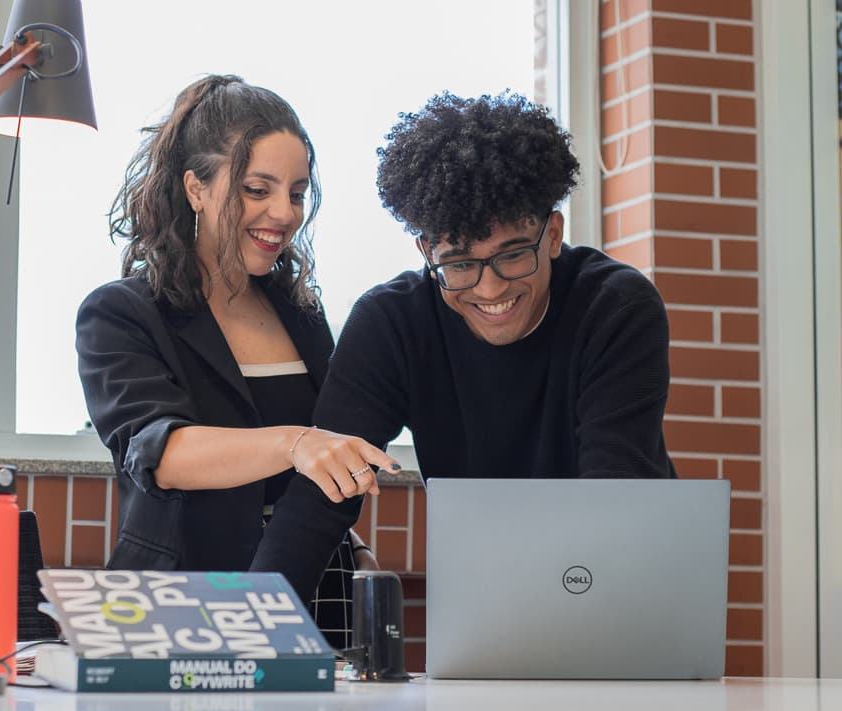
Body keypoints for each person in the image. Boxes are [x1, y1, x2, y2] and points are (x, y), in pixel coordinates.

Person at [251, 90, 676, 604]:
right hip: (487, 593)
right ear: (426, 252)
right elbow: (323, 496)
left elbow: (616, 492)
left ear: (553, 234)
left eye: (512, 255)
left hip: (617, 584)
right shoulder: (393, 324)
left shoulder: (614, 307)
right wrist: (260, 618)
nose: (490, 289)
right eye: (459, 264)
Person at [75, 74, 400, 649]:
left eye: (296, 193)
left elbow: (328, 455)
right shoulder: (121, 313)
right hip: (179, 599)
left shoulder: (301, 315)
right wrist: (297, 442)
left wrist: (355, 545)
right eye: (257, 189)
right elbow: (161, 454)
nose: (284, 212)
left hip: (316, 589)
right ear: (196, 188)